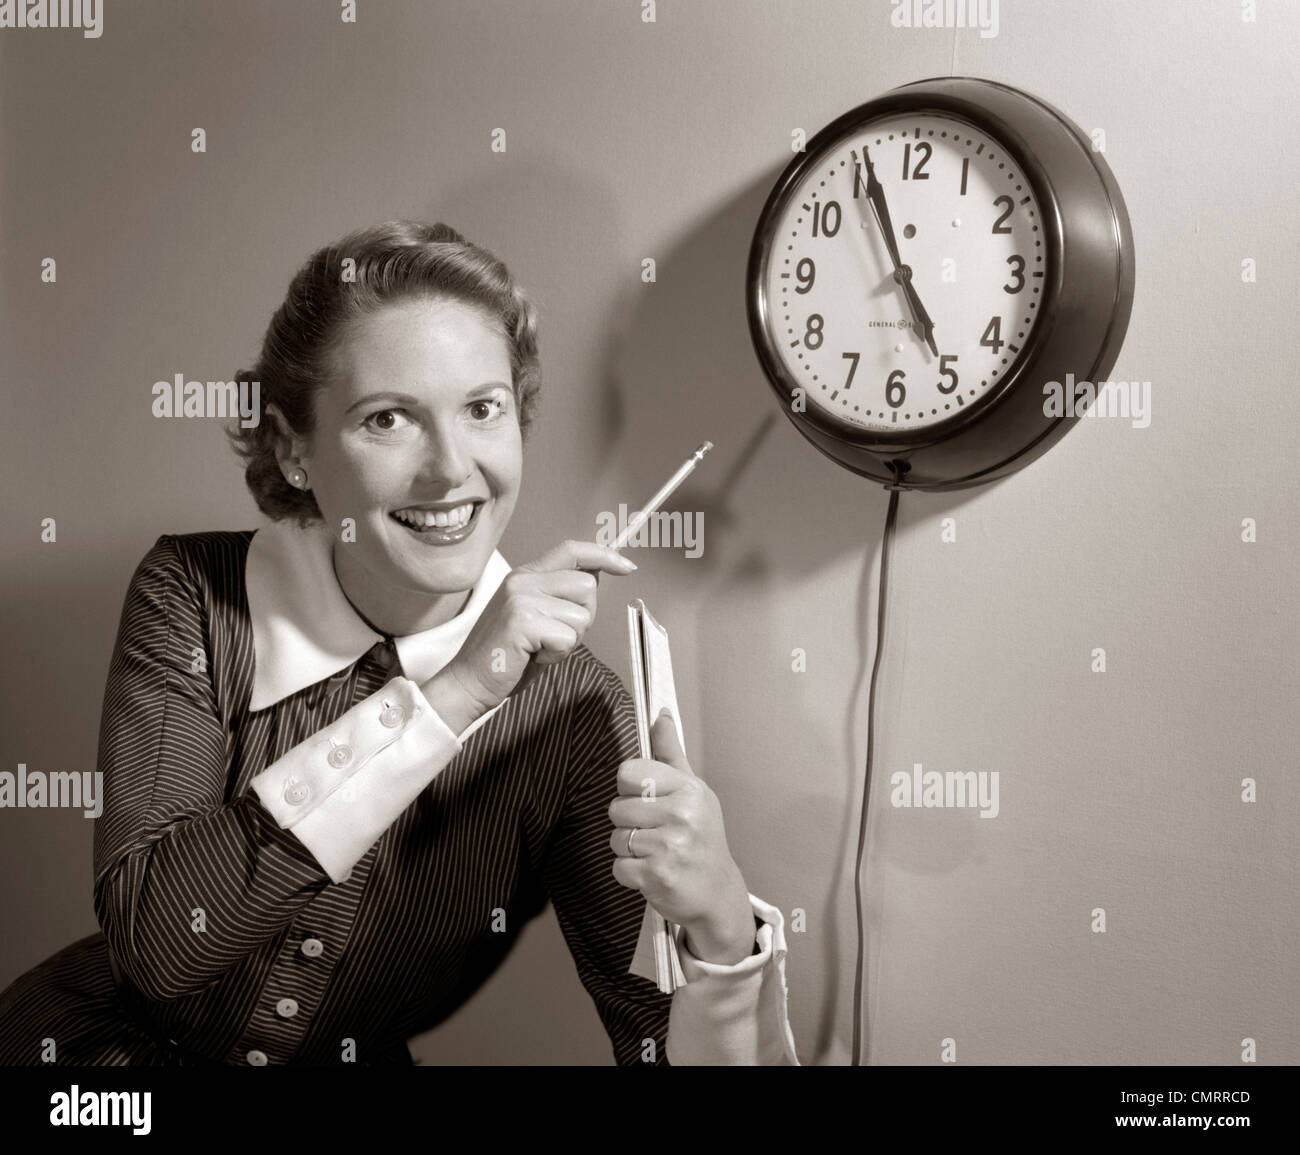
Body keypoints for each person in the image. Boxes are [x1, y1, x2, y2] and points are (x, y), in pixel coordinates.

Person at [0, 220, 798, 1066]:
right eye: (389, 419)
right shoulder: (195, 592)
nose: (451, 469)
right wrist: (458, 691)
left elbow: (656, 1046)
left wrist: (718, 927)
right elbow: (159, 944)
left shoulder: (573, 711)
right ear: (293, 448)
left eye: (483, 409)